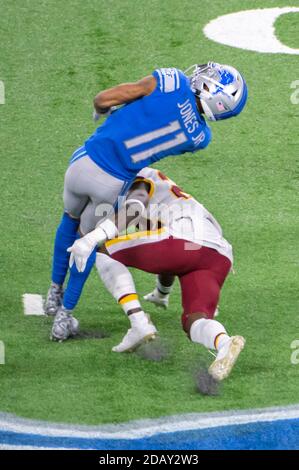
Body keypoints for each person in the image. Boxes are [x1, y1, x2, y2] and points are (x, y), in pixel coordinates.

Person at [46, 63, 247, 338]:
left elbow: (105, 99)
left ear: (212, 88)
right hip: (114, 183)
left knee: (68, 221)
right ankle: (63, 317)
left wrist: (102, 109)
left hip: (85, 162)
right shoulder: (200, 137)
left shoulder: (173, 81)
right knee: (87, 240)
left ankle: (53, 293)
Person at [63, 168, 245, 381]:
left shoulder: (136, 174)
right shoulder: (166, 195)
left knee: (105, 252)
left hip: (186, 239)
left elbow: (135, 207)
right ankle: (223, 343)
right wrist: (162, 292)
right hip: (218, 254)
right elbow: (171, 256)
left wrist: (93, 238)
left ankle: (139, 323)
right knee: (194, 320)